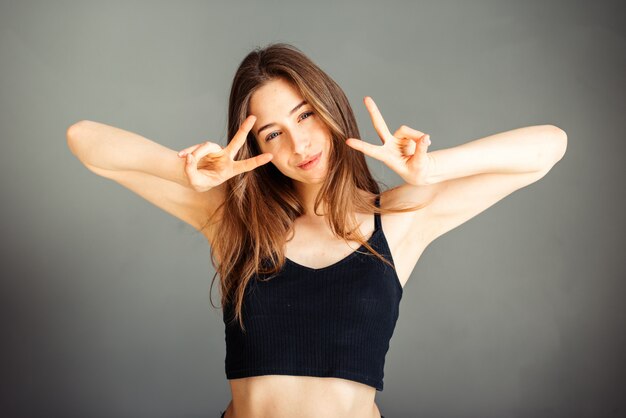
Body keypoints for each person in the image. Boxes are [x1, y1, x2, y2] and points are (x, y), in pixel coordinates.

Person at [66, 43, 567, 418]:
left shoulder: (398, 220)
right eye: (272, 132)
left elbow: (549, 147)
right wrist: (186, 172)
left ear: (329, 109)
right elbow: (85, 141)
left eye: (305, 114)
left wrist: (431, 169)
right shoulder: (236, 225)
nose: (298, 142)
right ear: (256, 147)